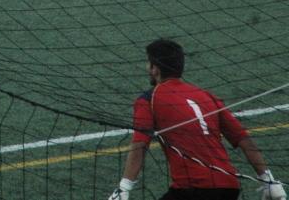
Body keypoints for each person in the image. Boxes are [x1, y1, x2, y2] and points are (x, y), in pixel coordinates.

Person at [107, 39, 286, 200]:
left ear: (155, 68)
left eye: (149, 64)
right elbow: (244, 140)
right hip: (228, 187)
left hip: (192, 189)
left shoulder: (148, 99)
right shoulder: (207, 96)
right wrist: (268, 180)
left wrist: (124, 187)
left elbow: (140, 145)